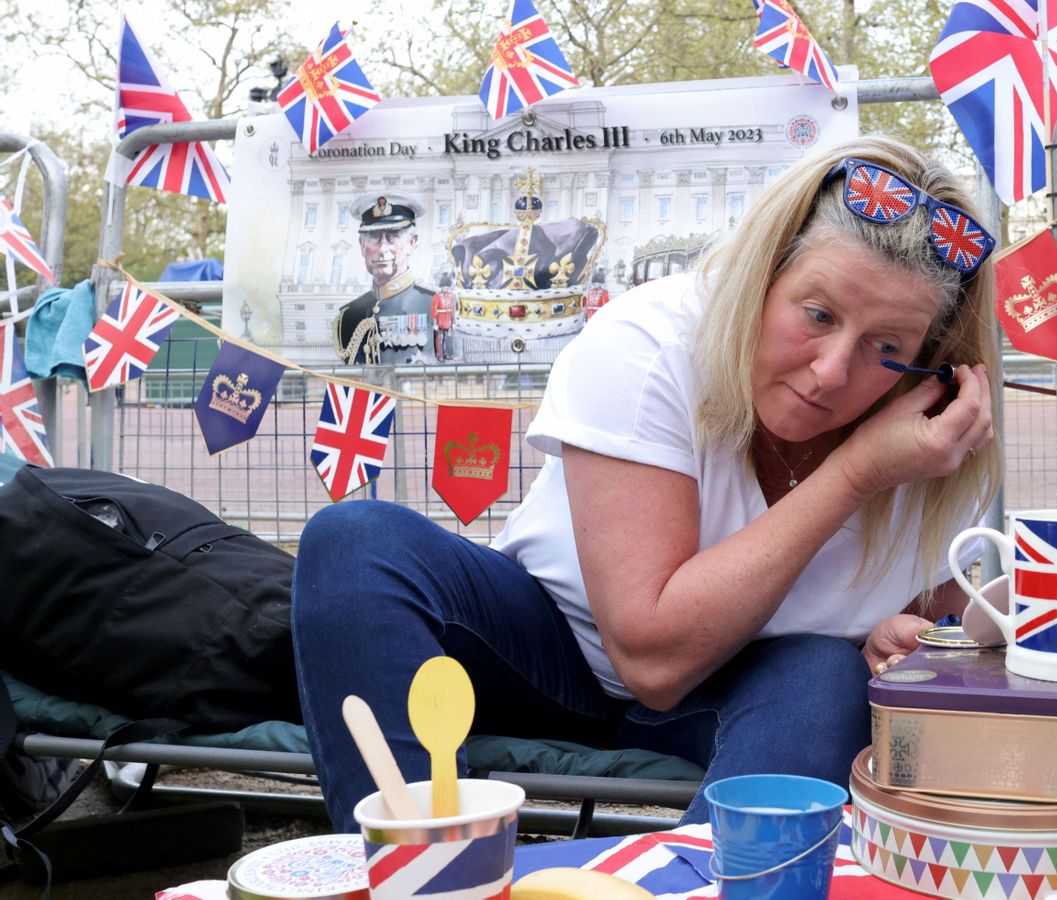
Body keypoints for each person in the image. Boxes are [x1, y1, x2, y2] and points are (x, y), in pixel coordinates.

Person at [292, 136, 1003, 830]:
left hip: (750, 692)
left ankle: (693, 886)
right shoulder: (651, 340)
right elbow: (652, 657)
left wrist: (907, 641)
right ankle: (414, 874)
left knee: (826, 674)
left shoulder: (936, 437)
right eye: (817, 315)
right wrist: (854, 473)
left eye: (888, 348)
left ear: (935, 361)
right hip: (549, 645)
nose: (830, 372)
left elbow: (932, 627)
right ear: (761, 277)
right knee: (356, 539)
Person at [334, 194, 438, 364]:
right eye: (374, 236)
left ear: (412, 243)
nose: (382, 248)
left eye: (393, 236)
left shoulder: (434, 306)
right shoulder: (348, 316)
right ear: (362, 245)